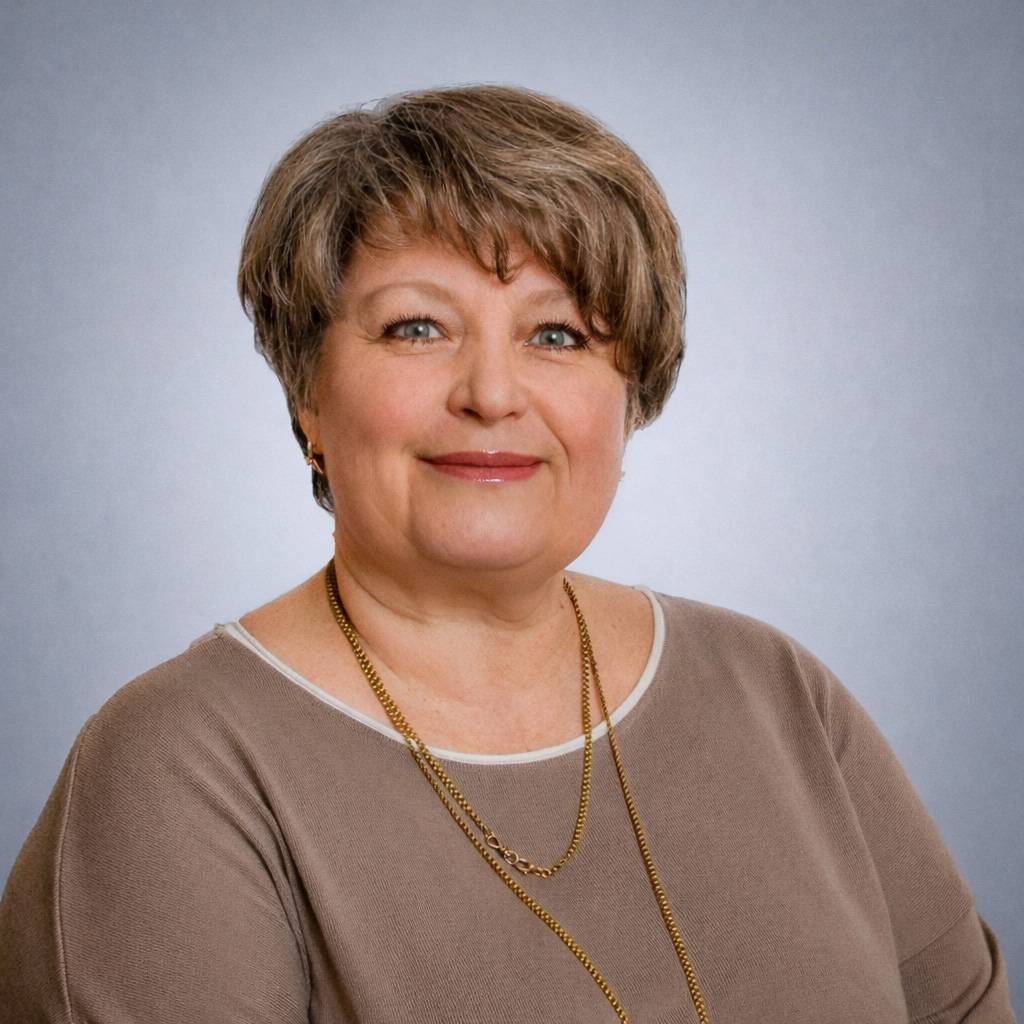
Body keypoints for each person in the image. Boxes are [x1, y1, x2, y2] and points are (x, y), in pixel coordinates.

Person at [0, 85, 1015, 1024]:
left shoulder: (778, 693)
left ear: (630, 397)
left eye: (558, 335)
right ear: (309, 391)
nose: (491, 394)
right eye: (417, 327)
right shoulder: (174, 768)